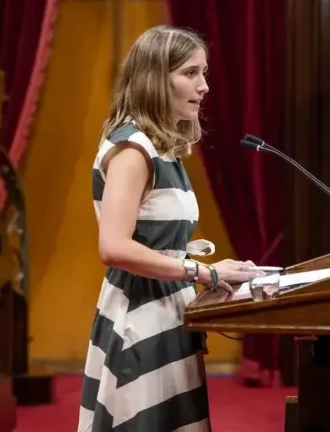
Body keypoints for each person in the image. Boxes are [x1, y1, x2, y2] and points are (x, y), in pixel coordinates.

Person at [78, 26, 263, 432]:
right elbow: (113, 247)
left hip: (166, 312)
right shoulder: (133, 150)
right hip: (138, 317)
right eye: (191, 73)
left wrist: (213, 274)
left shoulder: (162, 147)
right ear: (155, 79)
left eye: (205, 73)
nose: (205, 86)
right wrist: (205, 272)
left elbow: (162, 247)